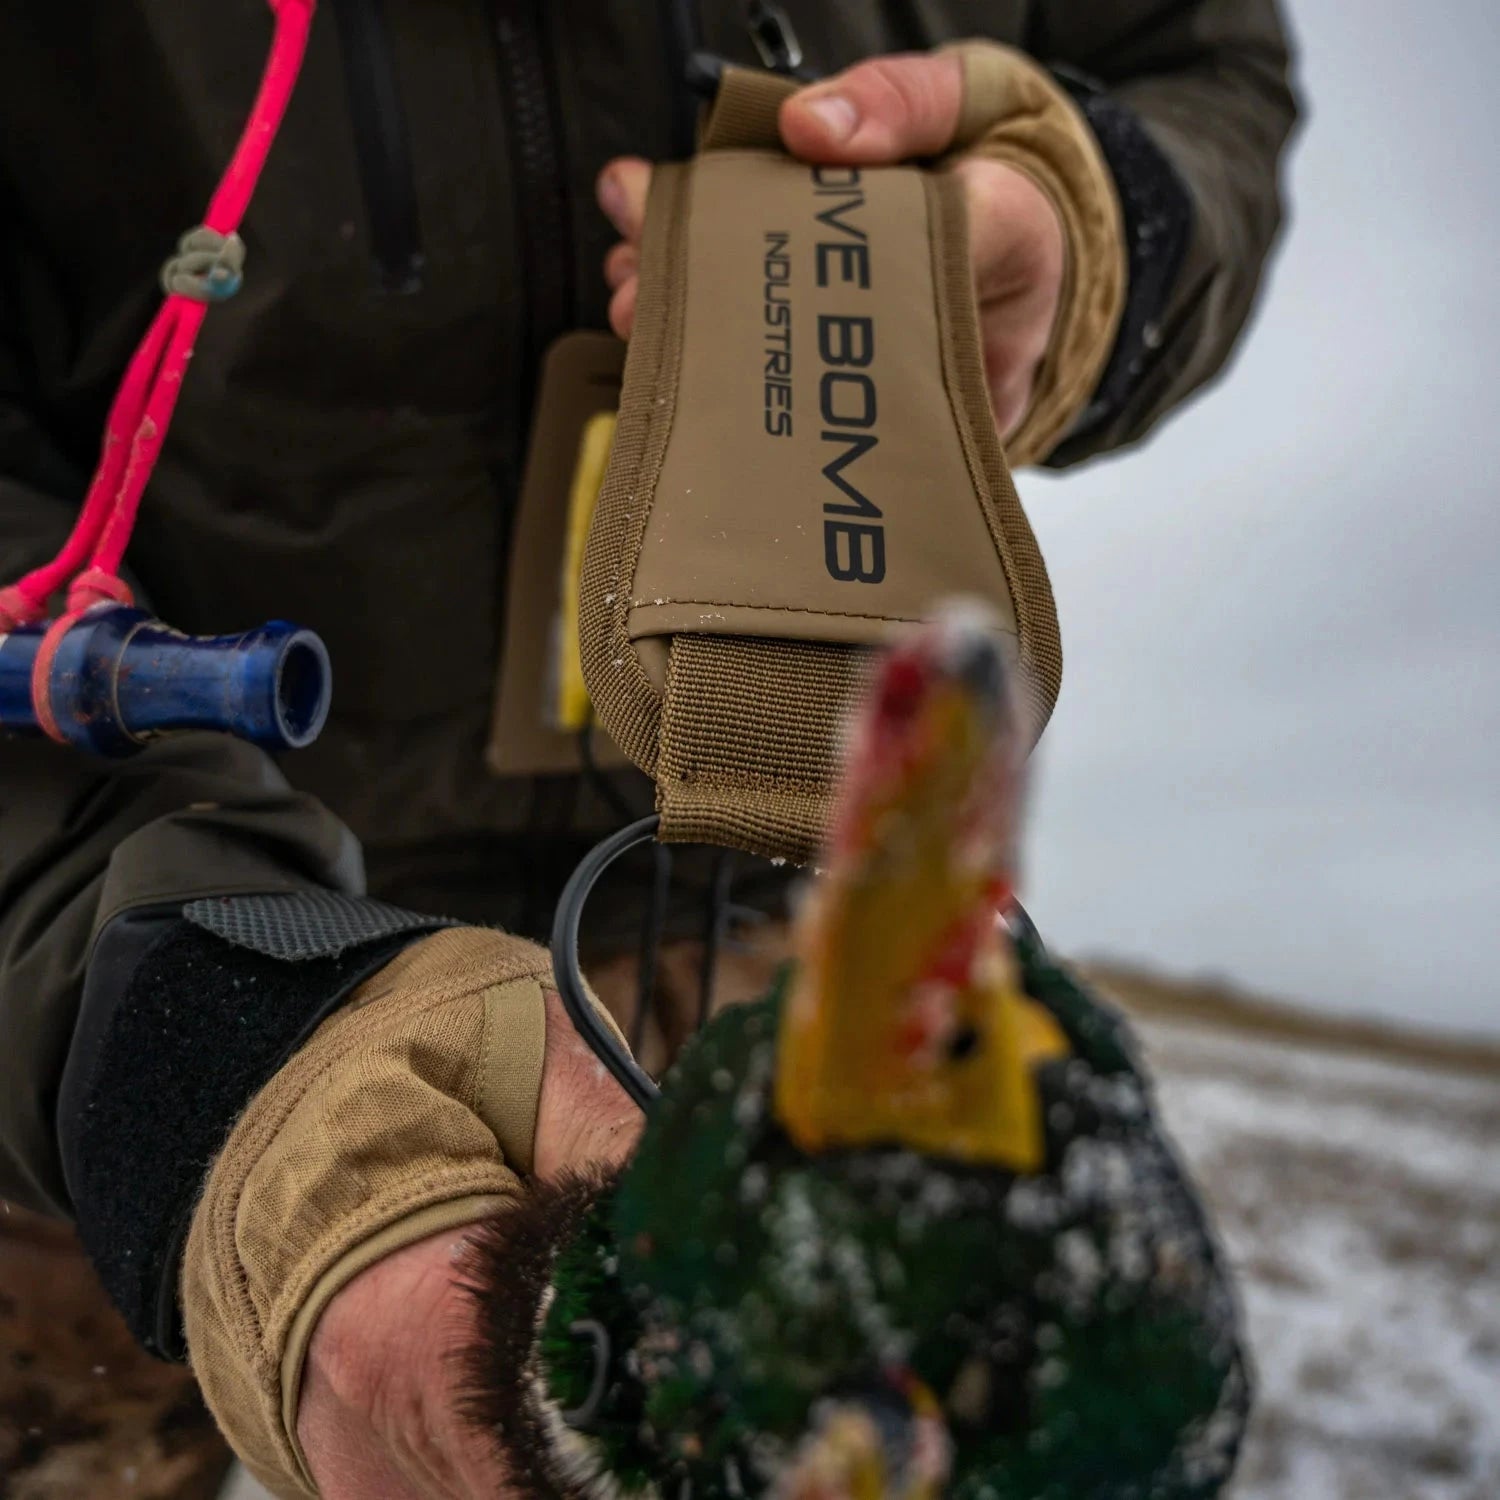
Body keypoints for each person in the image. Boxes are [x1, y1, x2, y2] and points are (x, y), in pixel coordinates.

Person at [0, 4, 1297, 1497]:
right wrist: (198, 1026)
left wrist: (1097, 227)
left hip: (763, 984)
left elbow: (1212, 72)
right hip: (109, 1010)